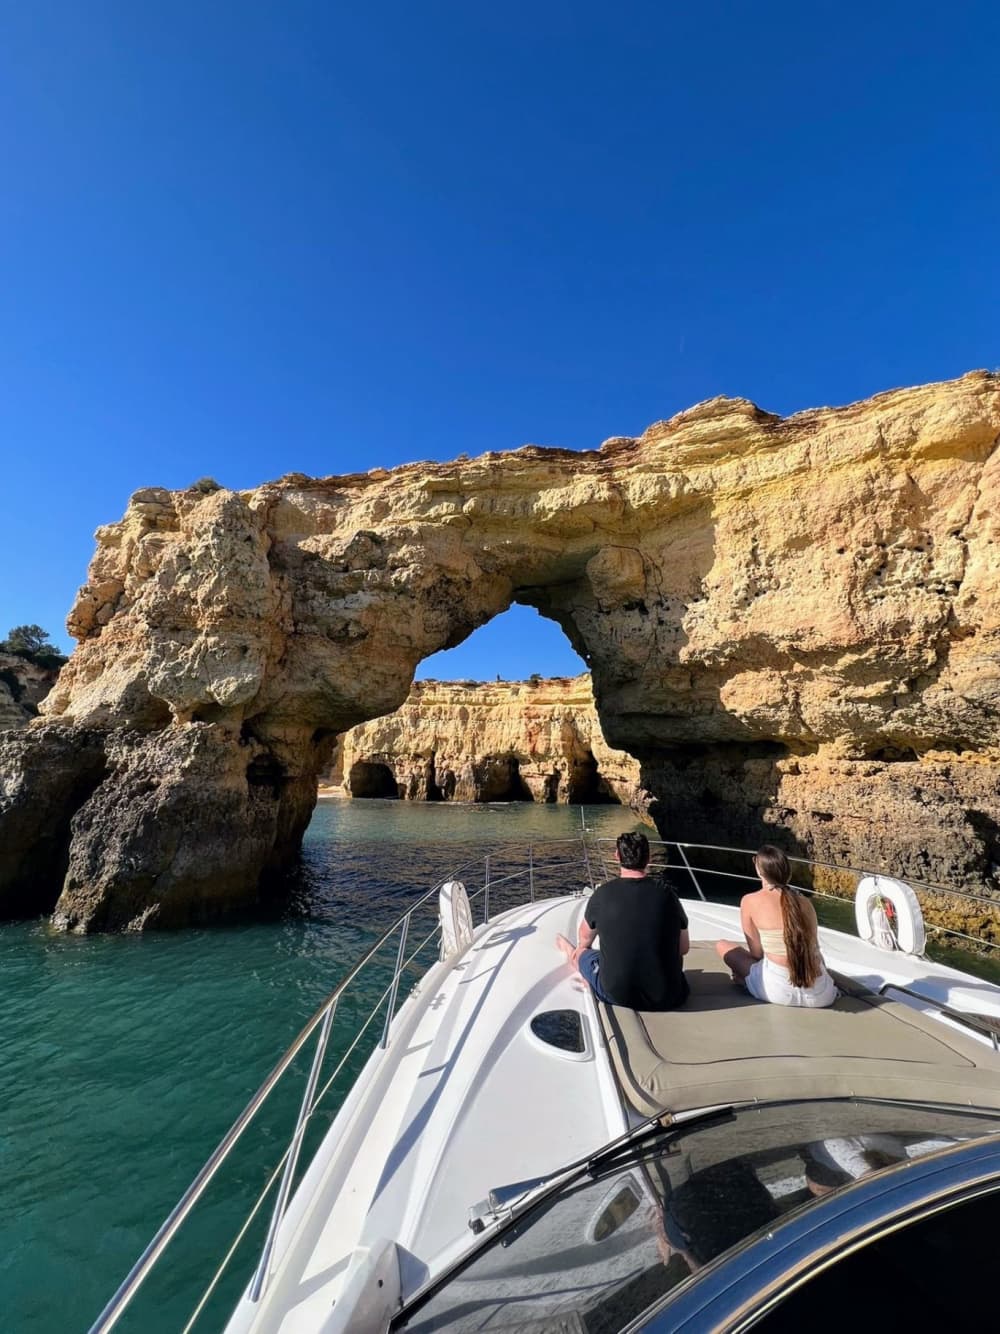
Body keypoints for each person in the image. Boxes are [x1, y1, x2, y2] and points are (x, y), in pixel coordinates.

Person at [556, 830, 689, 1009]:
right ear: (649, 857)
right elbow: (683, 948)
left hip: (618, 995)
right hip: (669, 996)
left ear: (617, 855)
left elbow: (585, 939)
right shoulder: (668, 895)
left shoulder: (603, 894)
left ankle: (571, 954)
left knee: (581, 952)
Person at [715, 844, 837, 1007]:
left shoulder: (749, 901)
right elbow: (815, 948)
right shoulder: (805, 902)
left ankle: (746, 981)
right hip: (821, 994)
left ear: (759, 869)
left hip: (778, 990)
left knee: (722, 945)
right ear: (787, 871)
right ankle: (749, 980)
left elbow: (757, 954)